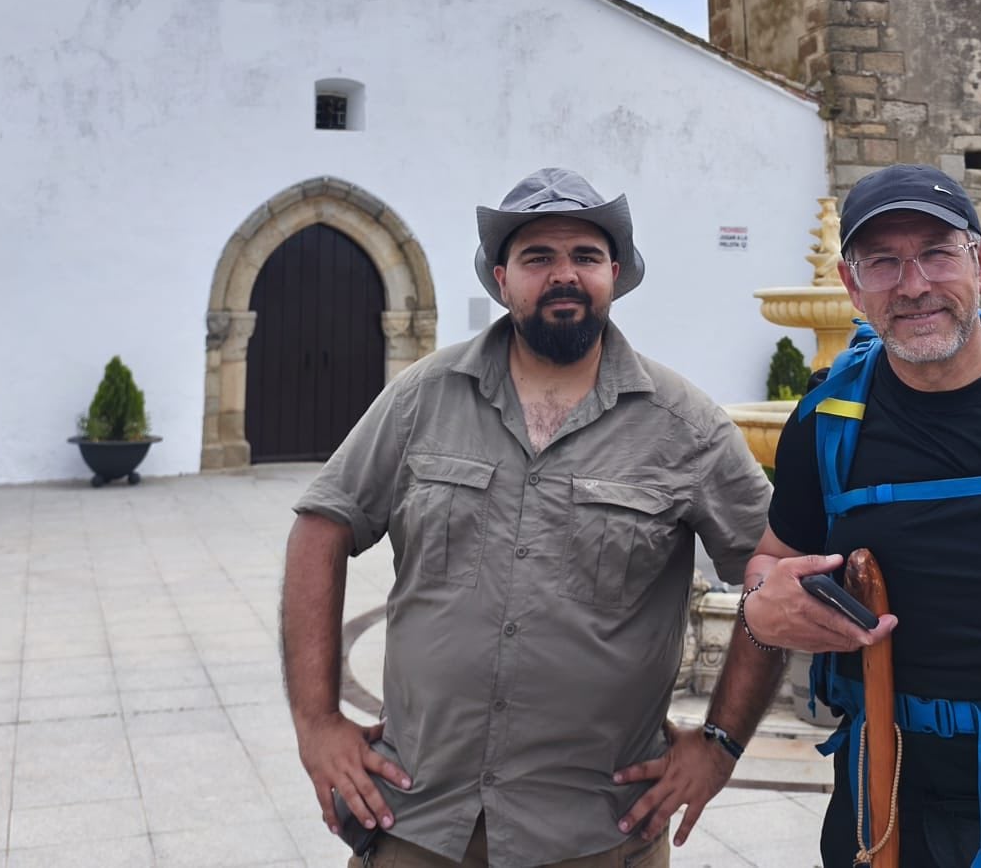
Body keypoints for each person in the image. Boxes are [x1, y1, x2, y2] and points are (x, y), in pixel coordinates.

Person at [619, 164, 981, 867]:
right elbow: (771, 562)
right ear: (852, 287)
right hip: (888, 815)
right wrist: (760, 623)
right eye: (883, 262)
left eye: (936, 253)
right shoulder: (828, 419)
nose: (913, 284)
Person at [280, 168, 772, 868]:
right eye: (539, 257)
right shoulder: (422, 396)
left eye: (585, 257)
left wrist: (721, 743)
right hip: (418, 817)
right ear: (503, 279)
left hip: (597, 831)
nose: (564, 275)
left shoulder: (684, 424)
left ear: (617, 274)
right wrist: (317, 723)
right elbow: (320, 526)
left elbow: (773, 575)